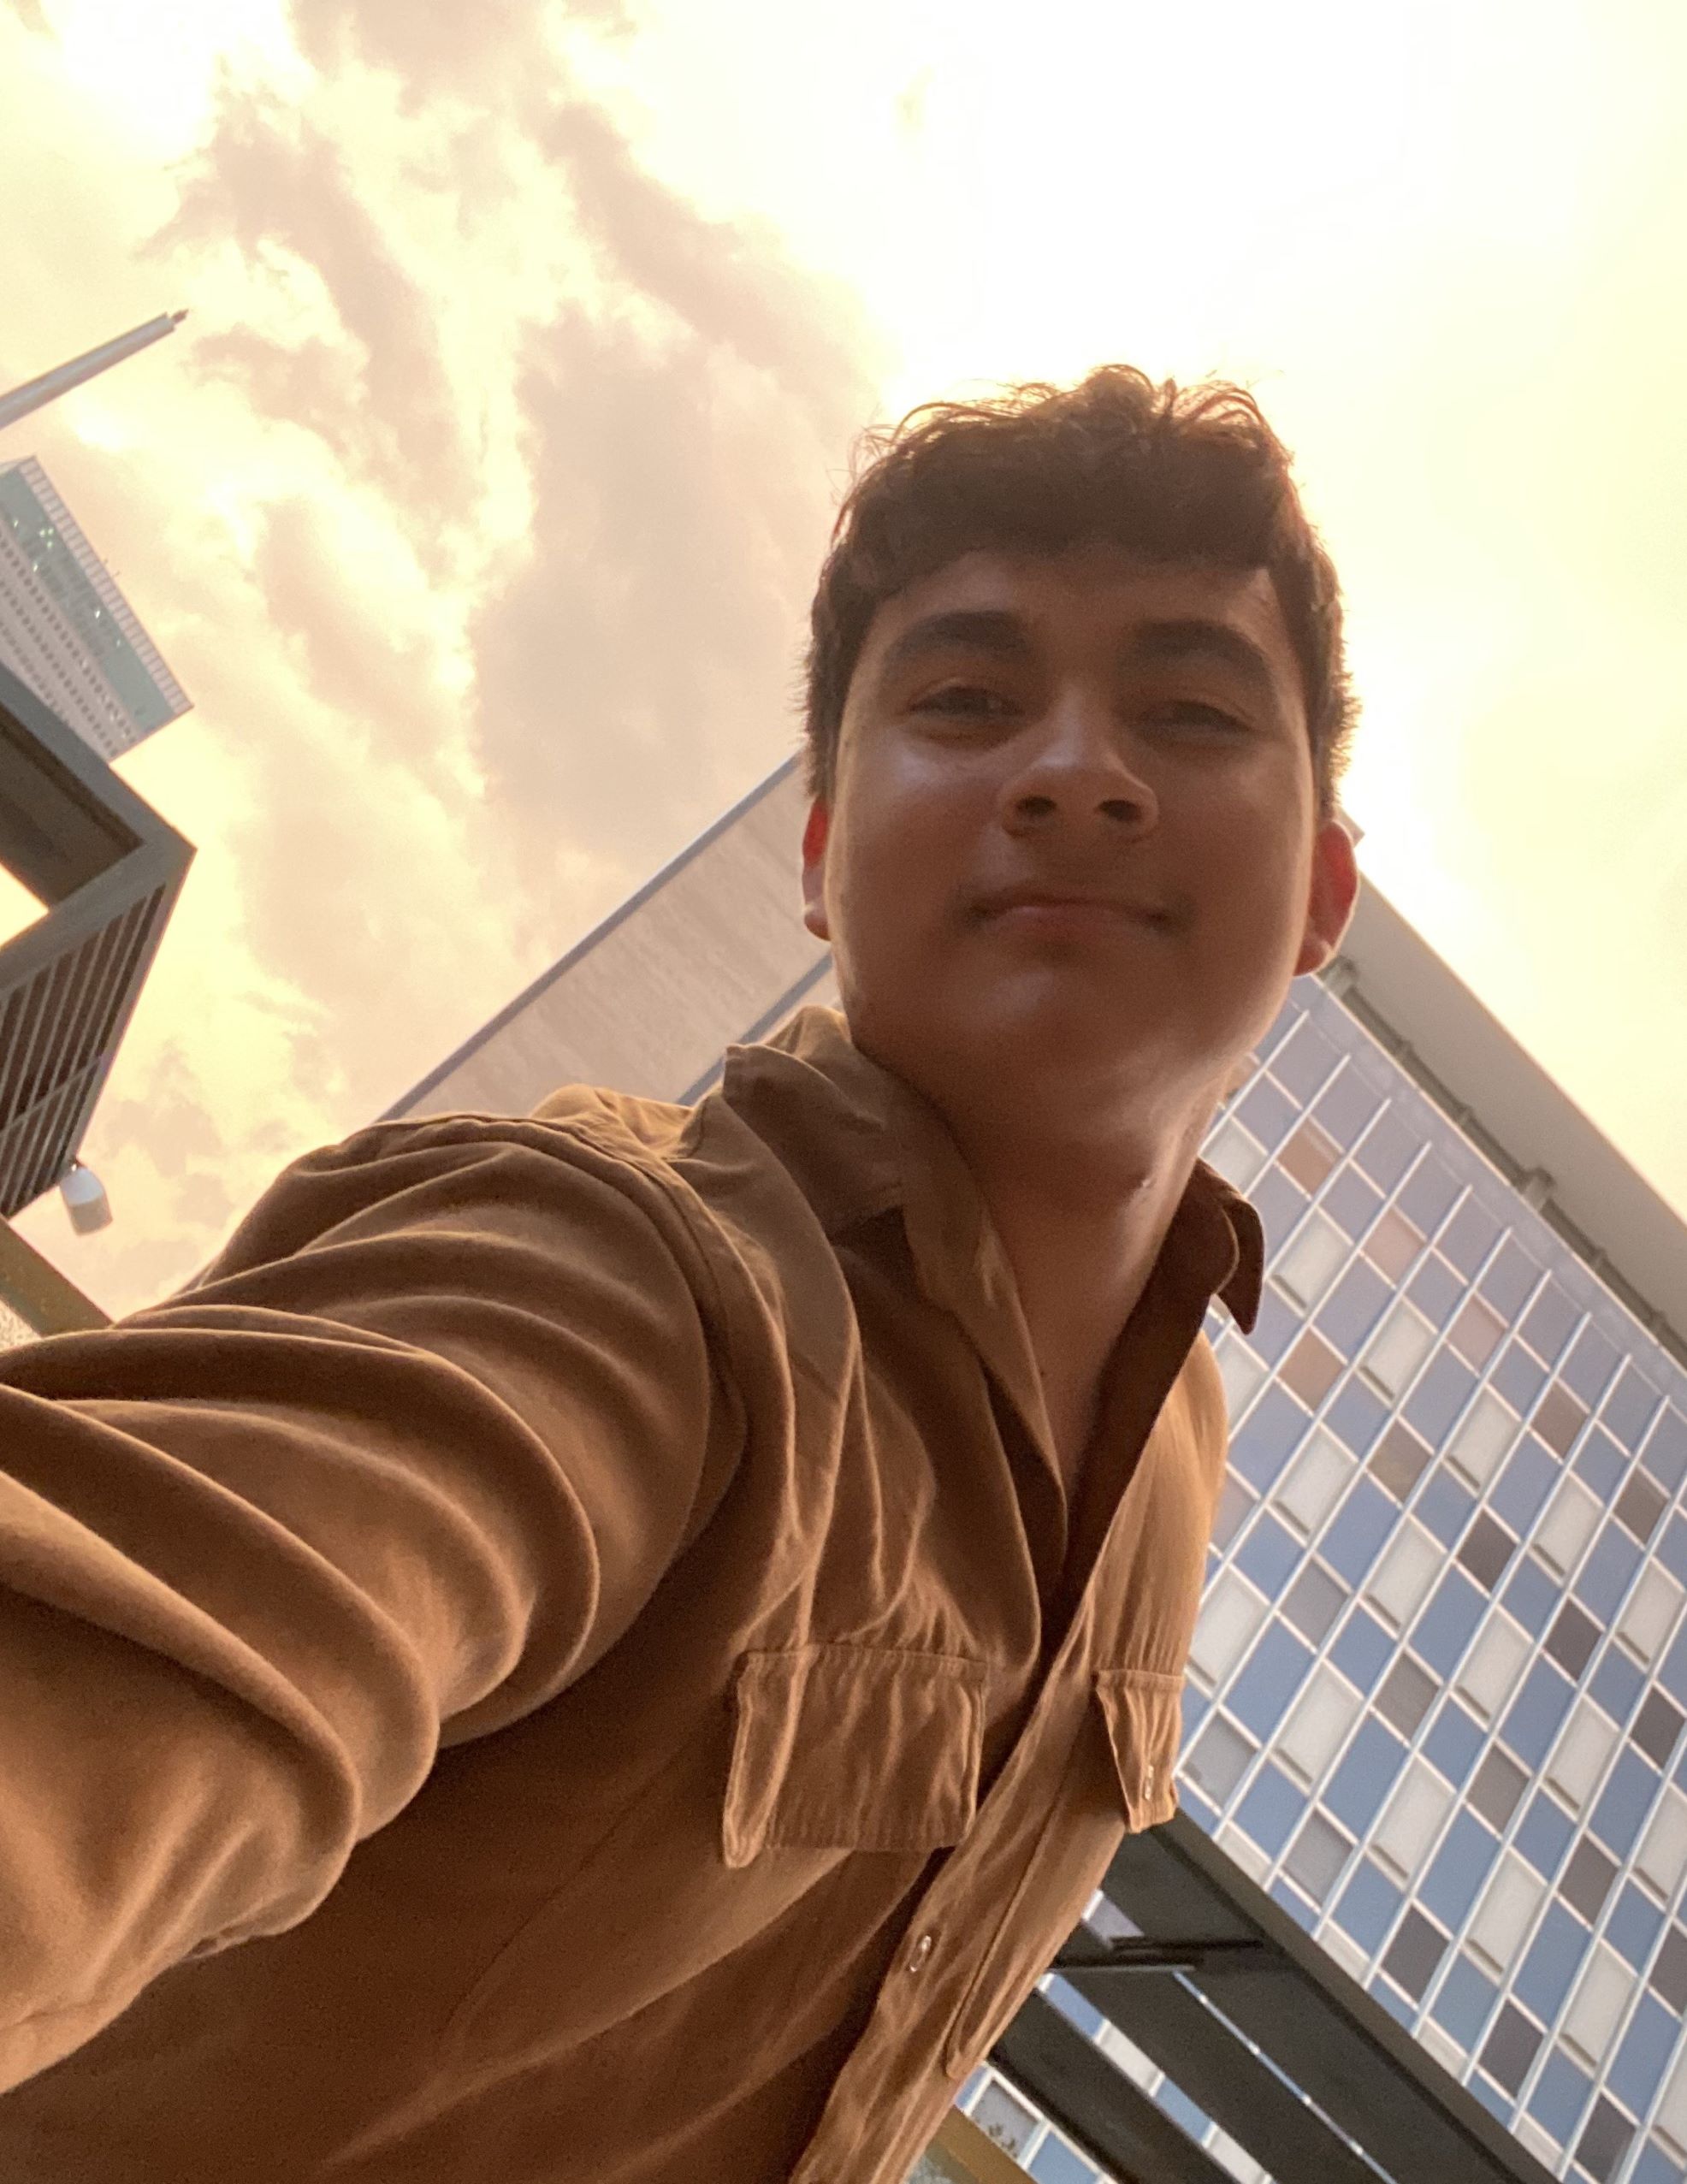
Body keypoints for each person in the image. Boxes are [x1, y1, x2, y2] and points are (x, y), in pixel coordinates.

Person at [0, 364, 1359, 2183]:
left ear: (1322, 895)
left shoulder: (1173, 1442)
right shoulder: (612, 1270)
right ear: (816, 856)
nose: (1072, 770)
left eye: (1187, 711)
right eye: (966, 700)